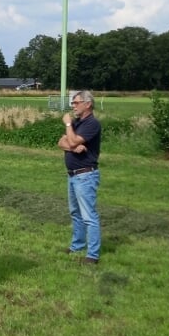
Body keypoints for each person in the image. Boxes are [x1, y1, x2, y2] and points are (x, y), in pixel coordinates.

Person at [58, 89, 103, 264]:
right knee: (75, 213)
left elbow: (73, 140)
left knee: (88, 215)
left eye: (76, 103)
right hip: (72, 176)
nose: (73, 106)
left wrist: (68, 126)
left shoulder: (92, 124)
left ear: (87, 104)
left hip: (85, 175)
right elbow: (61, 142)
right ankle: (77, 245)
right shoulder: (78, 123)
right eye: (73, 103)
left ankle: (92, 255)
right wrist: (72, 147)